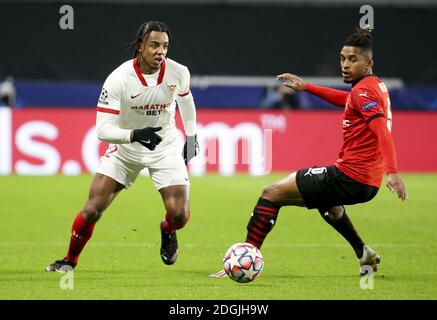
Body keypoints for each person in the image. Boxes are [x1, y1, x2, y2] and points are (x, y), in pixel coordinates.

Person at [211, 28, 407, 278]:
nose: (345, 65)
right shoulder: (373, 85)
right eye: (342, 58)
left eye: (353, 59)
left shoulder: (364, 91)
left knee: (271, 194)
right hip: (365, 182)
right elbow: (347, 100)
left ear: (369, 62)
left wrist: (393, 172)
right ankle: (363, 252)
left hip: (350, 176)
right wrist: (306, 87)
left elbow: (381, 130)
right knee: (328, 205)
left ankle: (243, 261)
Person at [46, 21, 199, 272]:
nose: (161, 51)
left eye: (165, 46)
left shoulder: (178, 72)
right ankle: (69, 261)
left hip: (164, 147)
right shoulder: (119, 79)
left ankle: (167, 228)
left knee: (179, 215)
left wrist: (192, 137)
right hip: (127, 148)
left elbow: (186, 101)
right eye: (154, 45)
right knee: (93, 209)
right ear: (140, 46)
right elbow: (102, 130)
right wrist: (135, 135)